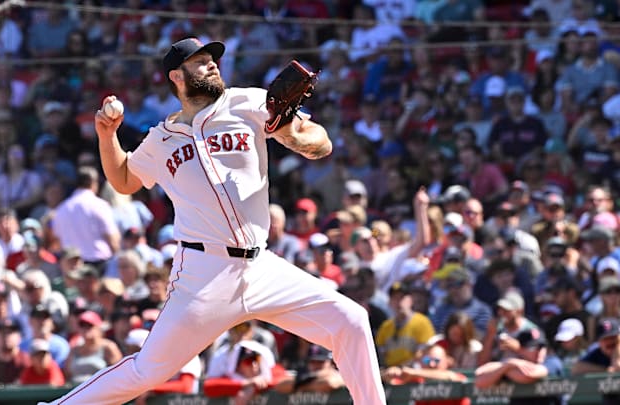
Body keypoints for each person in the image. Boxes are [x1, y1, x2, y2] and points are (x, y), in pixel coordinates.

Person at [43, 37, 386, 405]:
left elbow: (321, 140)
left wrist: (297, 137)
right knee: (148, 370)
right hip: (203, 273)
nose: (212, 64)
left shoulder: (248, 102)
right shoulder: (161, 139)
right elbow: (124, 180)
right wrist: (107, 136)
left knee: (350, 321)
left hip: (262, 267)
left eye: (212, 58)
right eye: (201, 60)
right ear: (177, 76)